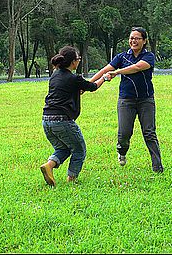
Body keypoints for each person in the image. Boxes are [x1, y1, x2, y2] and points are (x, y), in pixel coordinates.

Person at [91, 27, 164, 173]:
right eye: (131, 38)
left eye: (137, 38)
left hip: (146, 100)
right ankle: (122, 151)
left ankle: (157, 167)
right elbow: (105, 70)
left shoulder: (148, 56)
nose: (133, 41)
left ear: (144, 41)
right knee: (124, 133)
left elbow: (137, 67)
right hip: (126, 100)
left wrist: (117, 71)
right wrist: (89, 84)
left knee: (149, 133)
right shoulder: (122, 57)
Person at [40, 46, 109, 186]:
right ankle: (71, 179)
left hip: (46, 120)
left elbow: (66, 90)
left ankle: (49, 165)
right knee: (79, 149)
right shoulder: (74, 78)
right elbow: (93, 86)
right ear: (73, 62)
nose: (79, 61)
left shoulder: (55, 75)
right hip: (62, 120)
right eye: (78, 59)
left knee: (63, 148)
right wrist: (105, 78)